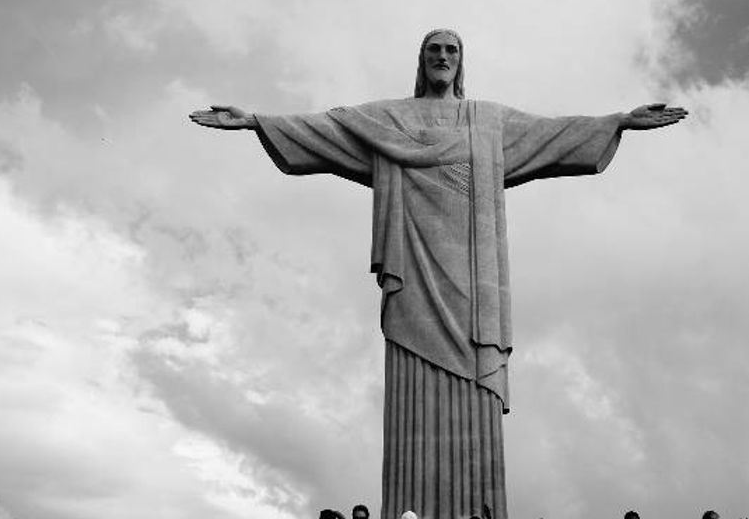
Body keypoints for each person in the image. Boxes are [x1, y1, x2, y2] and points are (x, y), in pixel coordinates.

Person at [190, 29, 687, 519]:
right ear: (421, 59)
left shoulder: (489, 121)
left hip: (473, 280)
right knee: (411, 372)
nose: (442, 57)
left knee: (474, 378)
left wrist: (619, 121)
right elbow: (327, 128)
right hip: (412, 269)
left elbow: (553, 132)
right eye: (434, 50)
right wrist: (256, 120)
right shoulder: (390, 118)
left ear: (461, 61)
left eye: (451, 50)